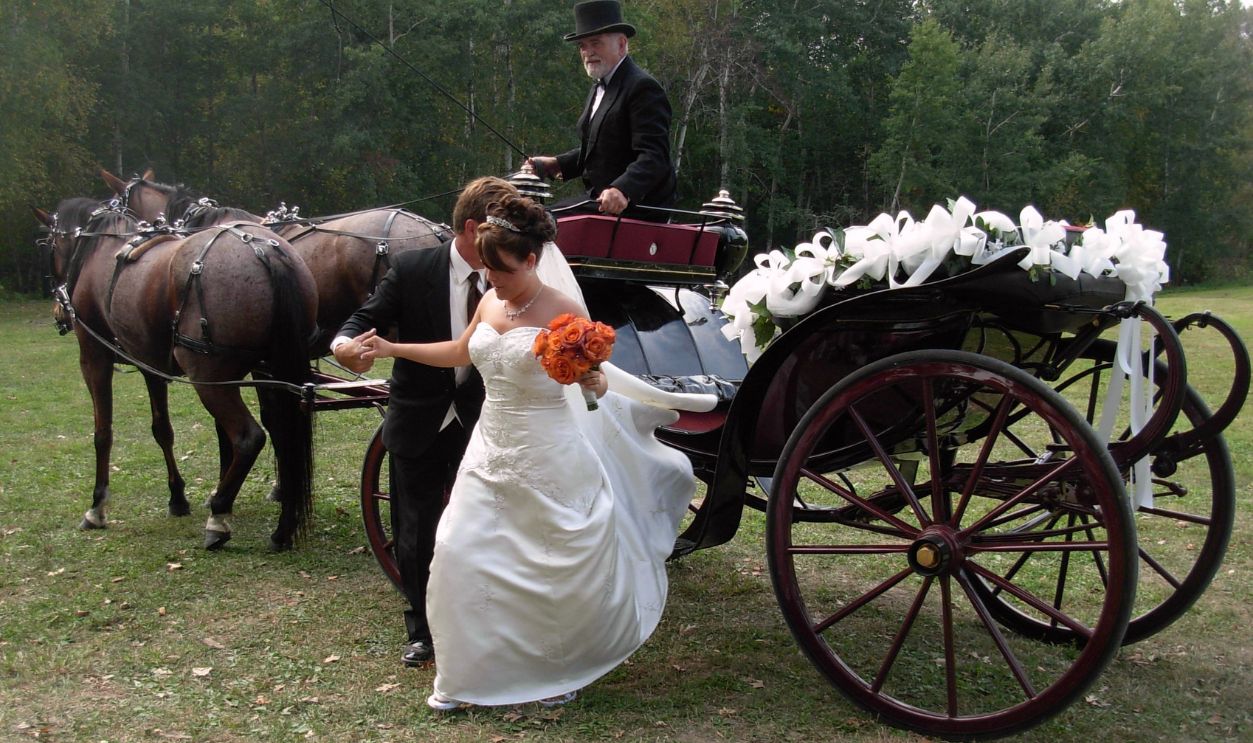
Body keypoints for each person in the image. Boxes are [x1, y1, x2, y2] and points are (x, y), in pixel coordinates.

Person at [357, 194, 706, 710]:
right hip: (489, 447)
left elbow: (596, 385)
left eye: (502, 270)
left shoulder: (565, 311)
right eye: (487, 268)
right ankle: (463, 675)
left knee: (548, 561)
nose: (493, 279)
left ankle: (557, 668)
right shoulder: (489, 301)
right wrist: (392, 348)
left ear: (532, 260)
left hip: (548, 450)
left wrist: (589, 379)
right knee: (457, 547)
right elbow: (459, 351)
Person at [331, 176, 519, 668]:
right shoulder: (413, 270)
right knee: (415, 528)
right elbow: (361, 321)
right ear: (472, 228)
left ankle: (482, 615)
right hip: (419, 419)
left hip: (485, 420)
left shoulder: (511, 280)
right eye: (497, 234)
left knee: (481, 522)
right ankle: (423, 629)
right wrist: (344, 347)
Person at [527, 0, 677, 217]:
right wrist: (558, 163)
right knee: (530, 216)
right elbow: (602, 148)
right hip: (599, 200)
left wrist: (622, 189)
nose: (588, 52)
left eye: (596, 43)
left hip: (636, 207)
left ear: (622, 44)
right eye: (582, 46)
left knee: (539, 223)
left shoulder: (642, 87)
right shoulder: (601, 85)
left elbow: (654, 156)